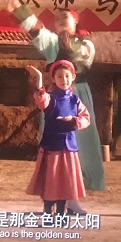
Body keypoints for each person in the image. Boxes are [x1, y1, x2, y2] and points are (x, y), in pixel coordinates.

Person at [3, 0, 105, 214]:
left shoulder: (86, 45)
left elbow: (76, 56)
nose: (59, 19)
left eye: (64, 16)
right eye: (56, 17)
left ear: (76, 22)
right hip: (55, 100)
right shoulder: (52, 42)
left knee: (78, 148)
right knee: (56, 150)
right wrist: (18, 9)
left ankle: (73, 200)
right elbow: (35, 29)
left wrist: (61, 39)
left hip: (77, 96)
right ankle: (53, 198)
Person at [26, 60, 88, 215]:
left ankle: (61, 212)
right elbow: (41, 99)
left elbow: (85, 118)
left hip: (69, 148)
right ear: (53, 79)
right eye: (59, 76)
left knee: (66, 181)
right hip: (51, 147)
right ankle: (48, 211)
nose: (64, 79)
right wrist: (39, 78)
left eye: (67, 76)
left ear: (73, 77)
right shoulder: (50, 98)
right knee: (51, 180)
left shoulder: (75, 100)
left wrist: (74, 120)